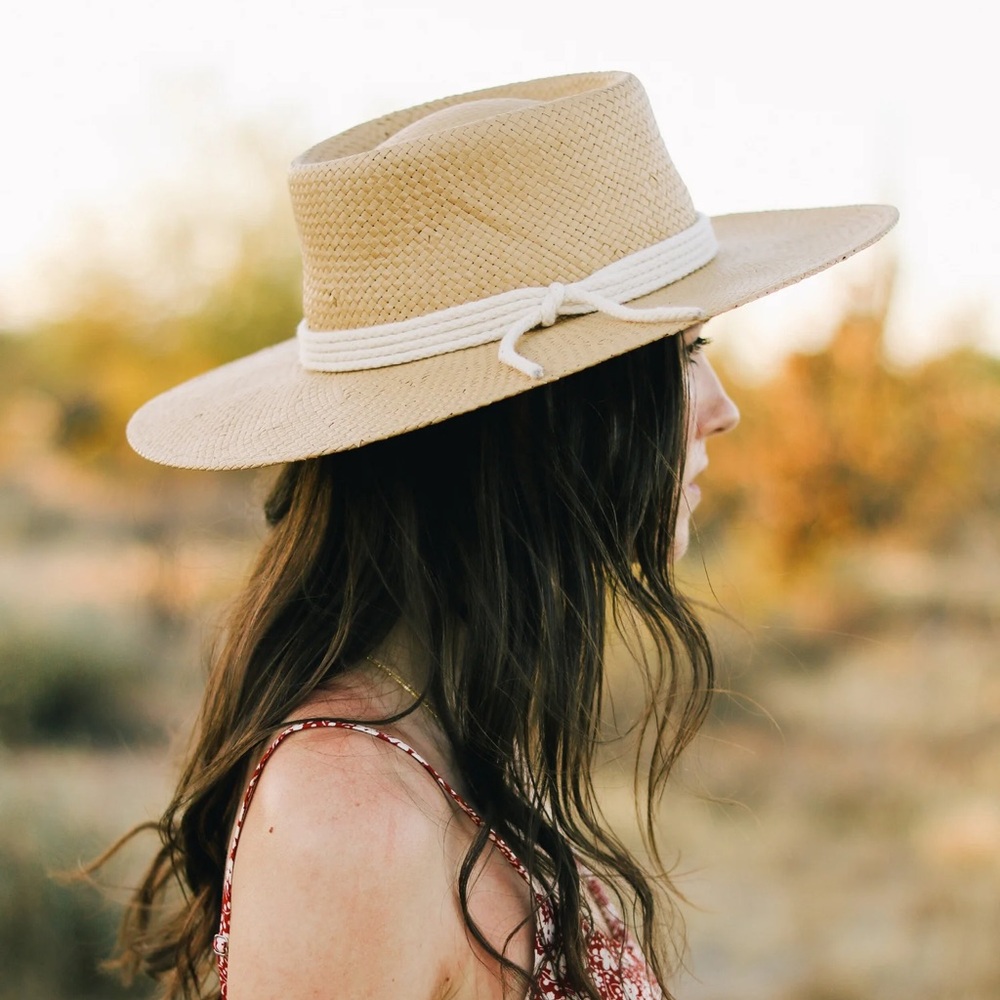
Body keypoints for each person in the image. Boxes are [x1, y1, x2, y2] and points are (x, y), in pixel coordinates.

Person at [113, 71, 896, 1000]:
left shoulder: (438, 723)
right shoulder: (350, 820)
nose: (722, 411)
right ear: (536, 414)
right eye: (685, 354)